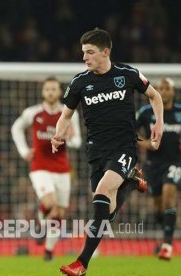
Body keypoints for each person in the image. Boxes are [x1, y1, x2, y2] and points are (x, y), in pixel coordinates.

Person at [51, 28, 164, 276]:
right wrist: (59, 134)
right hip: (96, 152)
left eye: (90, 52)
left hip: (124, 148)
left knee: (103, 191)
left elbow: (155, 97)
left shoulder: (127, 74)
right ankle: (133, 181)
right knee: (106, 210)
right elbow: (65, 115)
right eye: (83, 53)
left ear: (105, 52)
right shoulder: (80, 82)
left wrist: (158, 123)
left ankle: (81, 263)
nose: (85, 58)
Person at [11, 77, 82, 261]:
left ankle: (48, 252)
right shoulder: (32, 113)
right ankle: (40, 226)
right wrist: (23, 150)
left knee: (58, 213)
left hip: (62, 169)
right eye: (47, 89)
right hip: (40, 167)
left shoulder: (68, 114)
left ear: (60, 92)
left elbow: (77, 142)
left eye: (54, 89)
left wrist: (68, 138)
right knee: (49, 202)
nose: (50, 92)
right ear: (43, 92)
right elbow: (16, 128)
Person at [136, 77, 179, 260]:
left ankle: (167, 245)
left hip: (175, 163)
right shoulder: (146, 111)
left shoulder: (179, 112)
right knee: (158, 207)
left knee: (170, 196)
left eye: (167, 87)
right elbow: (130, 131)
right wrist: (145, 144)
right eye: (160, 87)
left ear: (173, 91)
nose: (163, 90)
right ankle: (164, 235)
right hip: (153, 166)